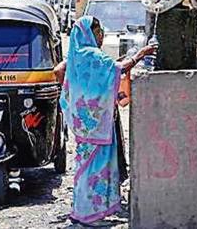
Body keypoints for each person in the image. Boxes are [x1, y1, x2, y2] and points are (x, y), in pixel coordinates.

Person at [57, 16, 156, 225]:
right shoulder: (91, 55)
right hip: (95, 122)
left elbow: (60, 74)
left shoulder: (76, 55)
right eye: (99, 31)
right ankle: (87, 214)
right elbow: (119, 68)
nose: (101, 36)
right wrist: (141, 54)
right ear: (90, 33)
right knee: (95, 168)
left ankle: (87, 211)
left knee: (87, 165)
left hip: (83, 123)